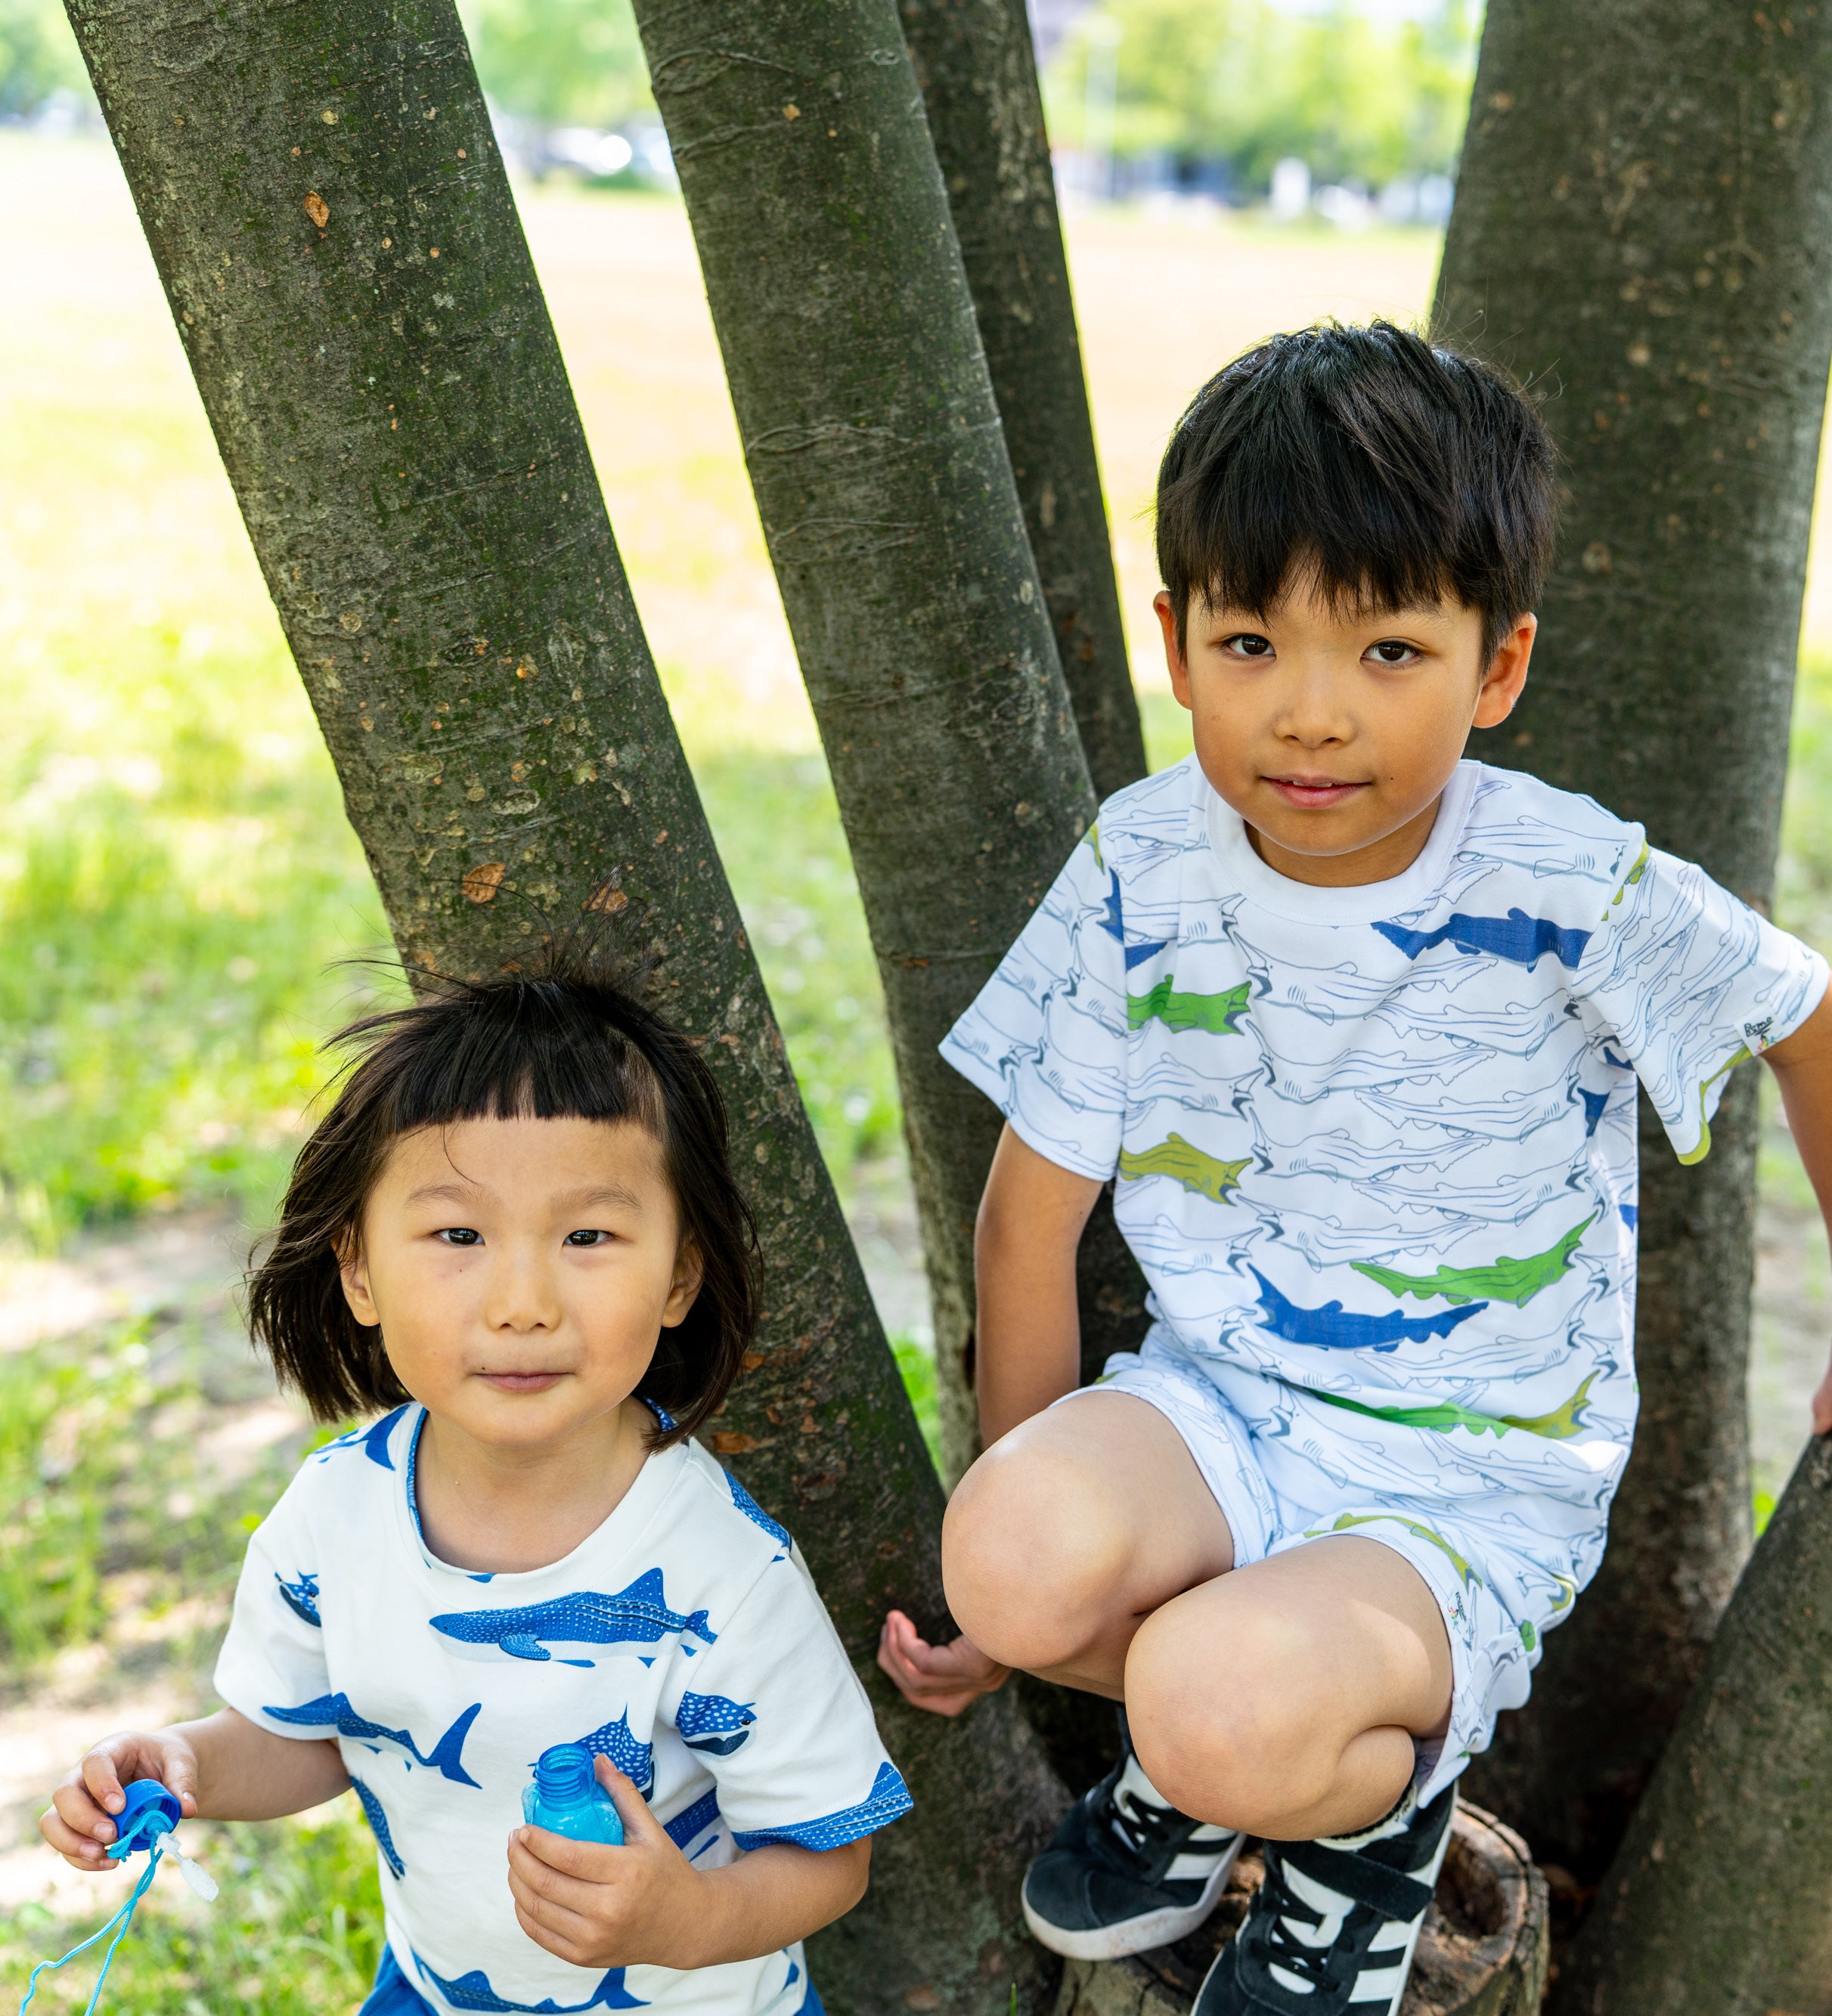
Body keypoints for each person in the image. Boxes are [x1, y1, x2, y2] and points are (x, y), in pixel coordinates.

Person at [878, 321, 1832, 2016]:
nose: (1313, 713)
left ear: (1500, 662)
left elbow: (1805, 1011)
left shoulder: (1564, 878)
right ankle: (1195, 1756)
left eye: (1391, 649)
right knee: (1011, 1559)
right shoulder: (1139, 859)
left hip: (1467, 1479)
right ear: (1176, 644)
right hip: (1224, 1410)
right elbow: (1031, 1218)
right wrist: (1001, 1613)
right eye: (1253, 640)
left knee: (1218, 1698)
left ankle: (1362, 1820)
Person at [42, 952, 910, 2016]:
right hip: (436, 1990)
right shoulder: (334, 1515)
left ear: (681, 1274)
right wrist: (184, 1766)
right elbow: (306, 1735)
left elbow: (832, 1855)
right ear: (358, 1268)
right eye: (458, 1235)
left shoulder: (722, 1573)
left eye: (588, 1236)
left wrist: (690, 1922)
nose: (522, 1302)